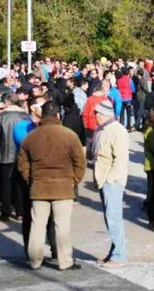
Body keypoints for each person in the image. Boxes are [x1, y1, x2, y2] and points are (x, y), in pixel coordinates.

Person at [19, 101, 86, 271]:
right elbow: (80, 163)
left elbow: (23, 164)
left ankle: (34, 260)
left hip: (39, 187)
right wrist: (73, 181)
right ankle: (64, 261)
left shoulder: (31, 137)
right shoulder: (69, 135)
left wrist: (31, 180)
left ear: (42, 115)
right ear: (58, 115)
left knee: (37, 225)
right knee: (62, 226)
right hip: (63, 187)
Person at [93, 101, 129, 268]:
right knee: (110, 217)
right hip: (103, 179)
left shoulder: (117, 131)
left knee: (113, 218)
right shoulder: (101, 130)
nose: (94, 117)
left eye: (96, 114)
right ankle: (114, 252)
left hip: (111, 181)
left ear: (103, 114)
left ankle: (119, 256)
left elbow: (120, 159)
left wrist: (111, 179)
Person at [0, 95, 27, 221]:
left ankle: (5, 212)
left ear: (7, 102)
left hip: (5, 154)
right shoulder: (24, 116)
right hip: (21, 154)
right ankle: (20, 211)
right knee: (19, 183)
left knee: (5, 184)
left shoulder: (1, 117)